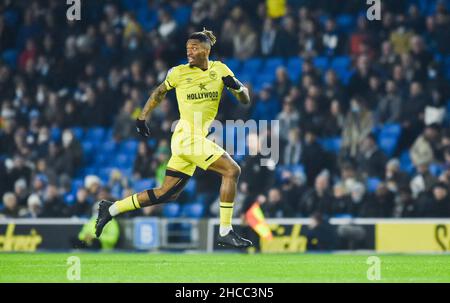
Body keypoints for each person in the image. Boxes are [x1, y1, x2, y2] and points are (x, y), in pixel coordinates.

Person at [96, 29, 252, 248]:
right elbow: (159, 92)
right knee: (232, 170)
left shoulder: (220, 70)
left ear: (206, 50)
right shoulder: (178, 73)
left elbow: (244, 99)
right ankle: (225, 230)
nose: (189, 51)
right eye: (188, 48)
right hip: (186, 137)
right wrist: (142, 116)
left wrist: (239, 87)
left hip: (188, 141)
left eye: (194, 48)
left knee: (166, 194)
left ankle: (111, 208)